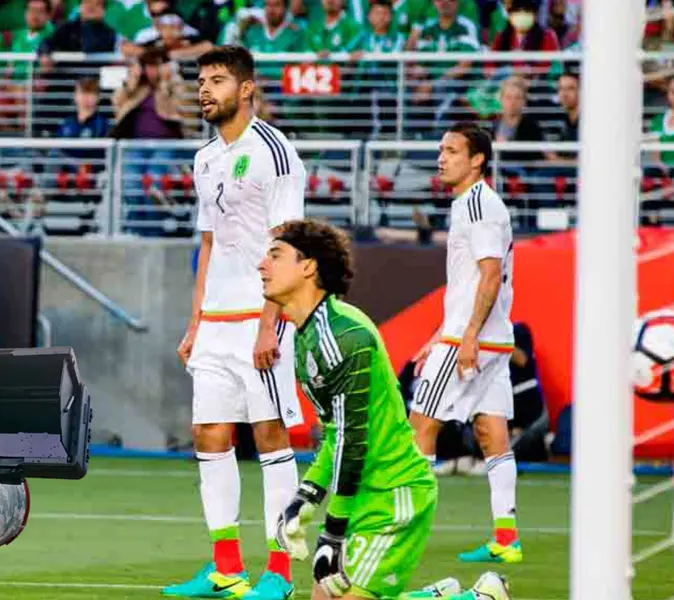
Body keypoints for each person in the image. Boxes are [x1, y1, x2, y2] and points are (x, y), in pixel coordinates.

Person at [260, 219, 510, 600]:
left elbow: (353, 440)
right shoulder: (308, 335)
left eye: (275, 256)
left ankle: (474, 598)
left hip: (394, 494)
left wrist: (332, 532)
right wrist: (305, 498)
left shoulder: (344, 337)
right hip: (365, 493)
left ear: (308, 267)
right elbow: (335, 434)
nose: (261, 265)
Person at [165, 45, 306, 600]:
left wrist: (271, 323)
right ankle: (226, 567)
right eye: (202, 80)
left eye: (218, 80)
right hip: (217, 321)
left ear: (246, 89)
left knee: (270, 437)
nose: (205, 90)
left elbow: (288, 241)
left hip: (258, 317)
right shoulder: (205, 158)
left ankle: (280, 573)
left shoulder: (275, 150)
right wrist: (195, 320)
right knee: (209, 435)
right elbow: (208, 244)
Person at [408, 122, 521, 564]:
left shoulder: (477, 205)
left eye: (452, 150)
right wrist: (438, 335)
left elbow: (491, 275)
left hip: (471, 339)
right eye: (441, 149)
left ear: (477, 160)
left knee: (420, 428)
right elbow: (471, 282)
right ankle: (507, 538)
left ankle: (406, 531)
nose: (442, 157)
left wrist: (464, 337)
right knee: (492, 433)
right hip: (491, 338)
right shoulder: (473, 204)